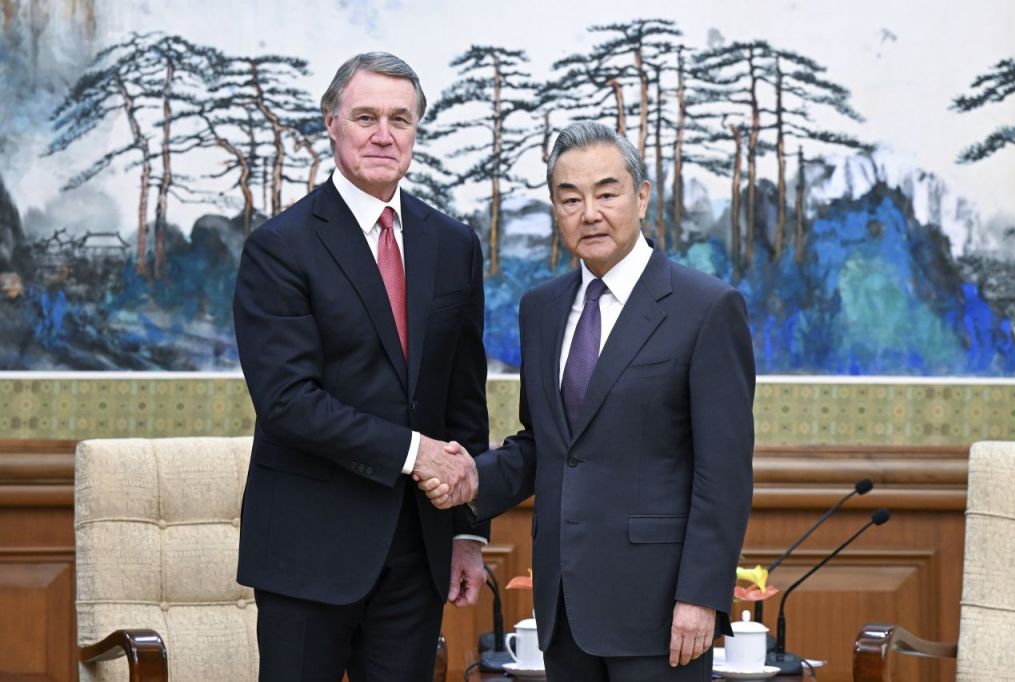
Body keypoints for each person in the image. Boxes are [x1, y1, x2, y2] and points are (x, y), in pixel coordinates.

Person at [421, 121, 755, 681]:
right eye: (570, 198)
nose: (589, 213)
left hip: (661, 610)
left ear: (641, 197)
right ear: (555, 208)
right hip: (564, 605)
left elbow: (724, 470)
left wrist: (701, 595)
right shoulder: (541, 309)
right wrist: (474, 478)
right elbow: (546, 443)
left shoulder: (706, 307)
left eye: (607, 193)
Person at [233, 52, 487, 682]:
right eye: (365, 116)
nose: (383, 134)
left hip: (417, 550)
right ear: (331, 123)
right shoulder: (279, 248)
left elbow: (463, 396)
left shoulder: (453, 244)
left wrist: (467, 532)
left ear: (415, 130)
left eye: (400, 119)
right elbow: (288, 400)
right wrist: (414, 452)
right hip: (307, 550)